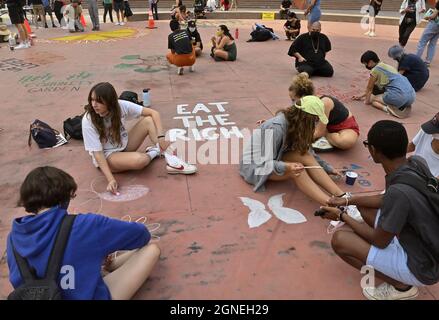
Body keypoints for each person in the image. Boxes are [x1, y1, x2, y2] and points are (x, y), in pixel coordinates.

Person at [321, 120, 439, 300]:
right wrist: (348, 200)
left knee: (340, 240)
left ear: (373, 151)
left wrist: (342, 216)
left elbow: (379, 241)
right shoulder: (416, 162)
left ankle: (402, 286)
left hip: (423, 266)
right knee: (363, 205)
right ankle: (391, 261)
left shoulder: (399, 193)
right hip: (425, 242)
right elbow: (385, 199)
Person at [6, 166, 160, 300]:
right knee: (152, 249)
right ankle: (108, 267)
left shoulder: (13, 238)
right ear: (65, 196)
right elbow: (141, 235)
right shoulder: (85, 224)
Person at [82, 82, 197, 193]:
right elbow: (98, 154)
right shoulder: (88, 120)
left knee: (148, 121)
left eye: (99, 101)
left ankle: (173, 162)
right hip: (108, 156)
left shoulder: (120, 106)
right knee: (141, 160)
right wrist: (111, 179)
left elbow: (154, 113)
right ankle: (154, 152)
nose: (94, 104)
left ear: (110, 101)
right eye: (92, 100)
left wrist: (161, 137)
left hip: (123, 144)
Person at [240, 94, 352, 205]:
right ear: (306, 118)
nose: (316, 123)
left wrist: (327, 168)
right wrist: (287, 166)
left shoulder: (297, 123)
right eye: (315, 119)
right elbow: (264, 162)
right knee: (298, 172)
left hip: (276, 156)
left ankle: (342, 196)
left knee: (305, 155)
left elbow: (307, 151)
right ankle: (336, 206)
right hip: (256, 165)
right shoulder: (276, 128)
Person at [353, 50, 415, 119]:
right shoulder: (385, 65)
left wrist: (366, 101)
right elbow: (372, 88)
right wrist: (361, 96)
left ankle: (388, 109)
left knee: (374, 101)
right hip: (412, 96)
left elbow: (369, 88)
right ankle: (402, 105)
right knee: (385, 93)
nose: (365, 66)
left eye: (365, 64)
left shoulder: (375, 70)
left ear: (370, 62)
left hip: (399, 97)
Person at [407, 112, 439, 178]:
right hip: (413, 169)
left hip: (430, 181)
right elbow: (411, 146)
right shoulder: (428, 130)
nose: (432, 132)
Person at [416, 0, 439, 67]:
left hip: (434, 24)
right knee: (433, 44)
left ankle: (416, 60)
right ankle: (428, 61)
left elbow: (433, 16)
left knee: (422, 42)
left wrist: (427, 17)